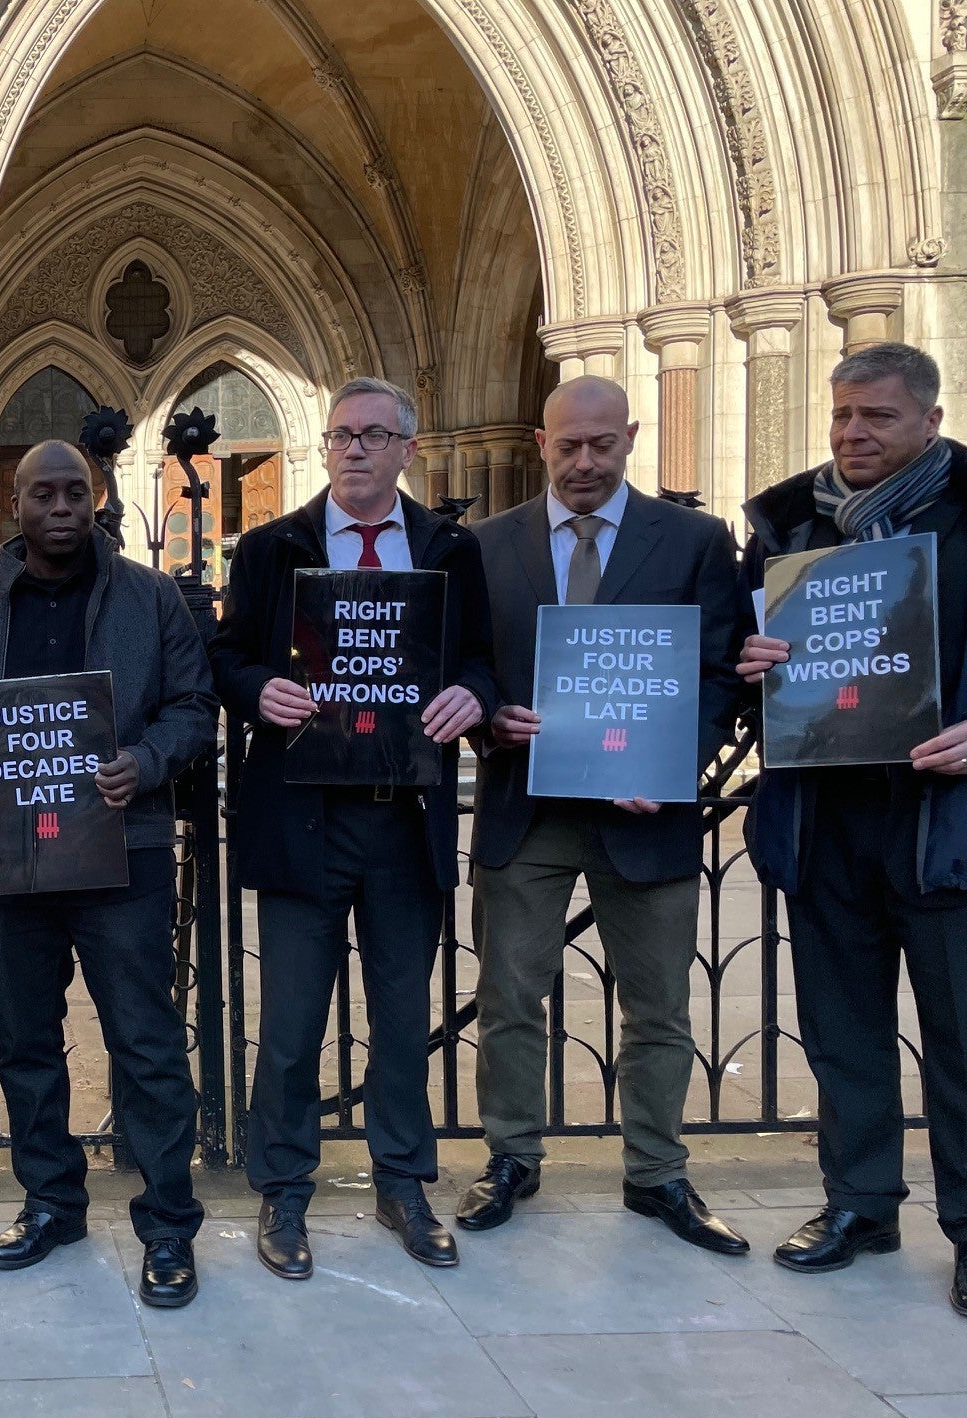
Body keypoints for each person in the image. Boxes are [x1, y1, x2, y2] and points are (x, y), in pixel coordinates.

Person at [209, 376, 497, 1279]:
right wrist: (259, 689)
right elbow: (226, 654)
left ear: (408, 449)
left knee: (403, 1017)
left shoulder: (450, 551)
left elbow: (484, 657)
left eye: (375, 435)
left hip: (401, 818)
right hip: (302, 817)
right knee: (292, 1021)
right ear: (324, 447)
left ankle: (403, 1182)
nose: (356, 450)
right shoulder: (272, 547)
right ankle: (285, 1189)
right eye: (341, 435)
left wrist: (473, 694)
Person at [461, 376, 748, 1253]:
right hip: (527, 806)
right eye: (567, 446)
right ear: (541, 442)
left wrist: (674, 760)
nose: (584, 463)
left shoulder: (696, 541)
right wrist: (492, 716)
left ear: (630, 437)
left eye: (602, 445)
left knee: (659, 1005)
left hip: (643, 811)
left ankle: (656, 1171)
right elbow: (467, 664)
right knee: (510, 995)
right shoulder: (486, 545)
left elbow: (723, 670)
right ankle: (511, 1155)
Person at [0, 440, 216, 1307]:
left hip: (123, 855)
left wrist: (147, 758)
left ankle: (168, 1223)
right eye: (40, 493)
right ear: (14, 504)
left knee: (145, 1043)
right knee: (24, 1042)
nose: (59, 506)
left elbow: (194, 708)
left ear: (96, 499)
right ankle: (52, 1202)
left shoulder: (150, 595)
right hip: (15, 861)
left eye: (74, 492)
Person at [737, 342, 967, 1316]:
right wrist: (748, 668)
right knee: (843, 1032)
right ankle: (860, 1204)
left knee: (960, 1035)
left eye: (875, 416)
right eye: (841, 415)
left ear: (929, 417)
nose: (852, 433)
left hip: (942, 822)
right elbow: (745, 682)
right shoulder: (790, 526)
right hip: (827, 815)